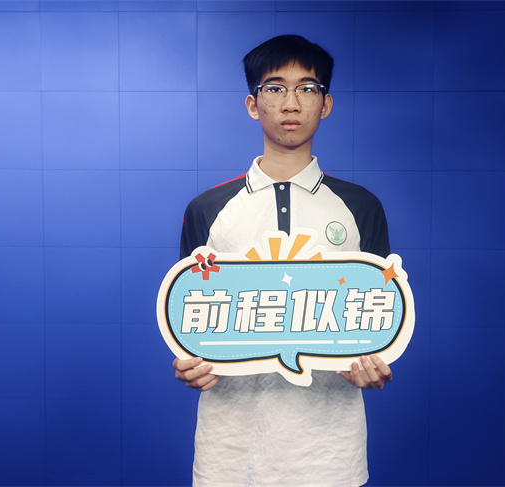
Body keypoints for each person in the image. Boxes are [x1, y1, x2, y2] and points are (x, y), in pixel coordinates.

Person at [173, 34, 393, 487]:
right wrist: (189, 362)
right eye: (275, 88)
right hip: (229, 451)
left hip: (330, 452)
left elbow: (377, 318)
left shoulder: (360, 207)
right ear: (253, 104)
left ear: (325, 104)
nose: (291, 103)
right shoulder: (208, 209)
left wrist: (375, 361)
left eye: (307, 88)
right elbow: (189, 317)